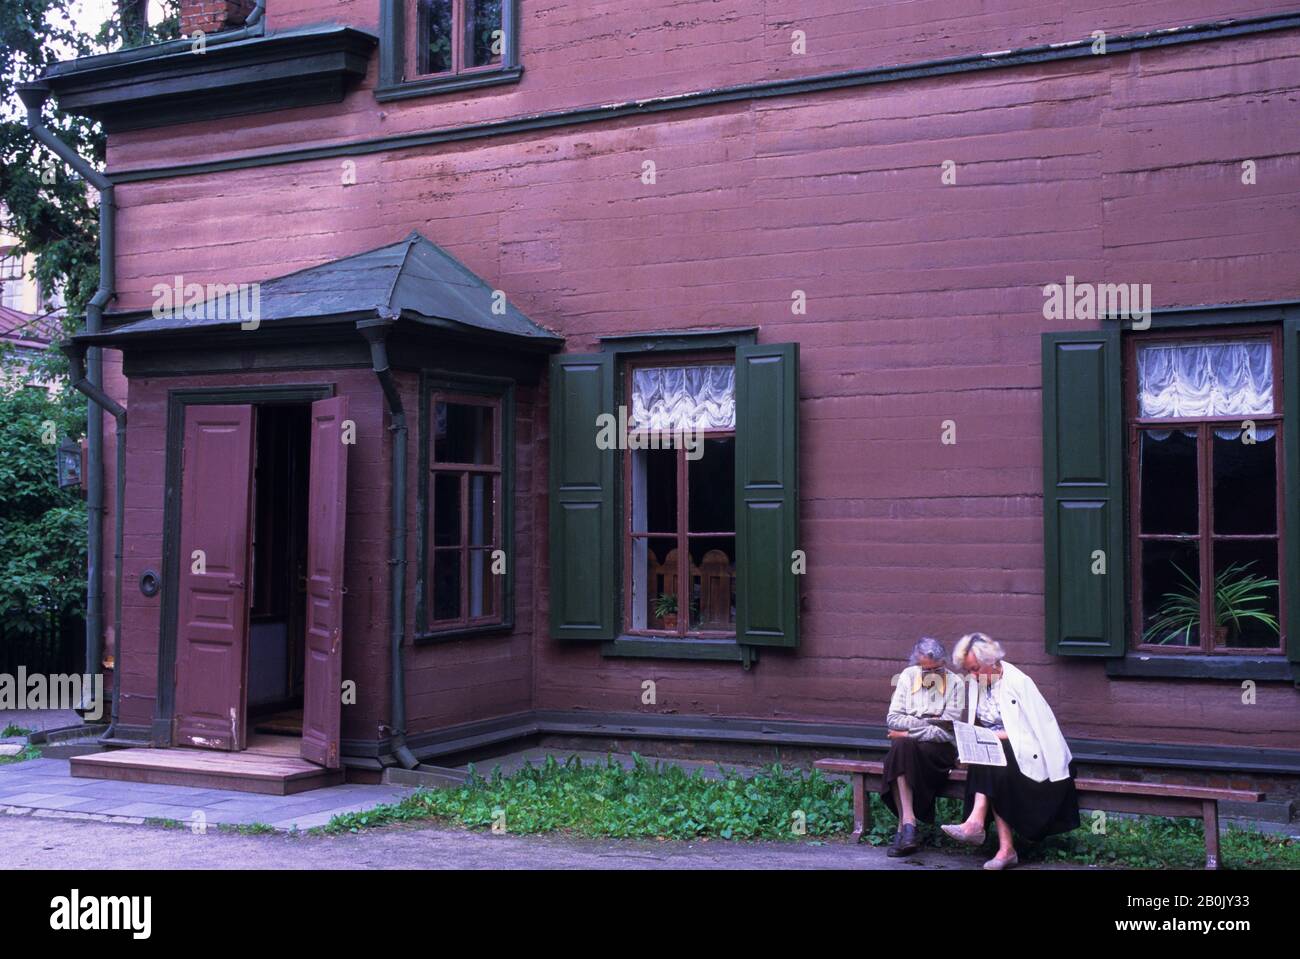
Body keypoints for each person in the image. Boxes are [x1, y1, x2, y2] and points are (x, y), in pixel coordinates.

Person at [941, 633, 1079, 870]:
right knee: (989, 760)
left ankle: (978, 824)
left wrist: (992, 737)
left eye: (975, 669)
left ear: (990, 661)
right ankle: (1001, 846)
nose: (972, 676)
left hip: (1035, 755)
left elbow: (1038, 732)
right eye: (968, 671)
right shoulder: (977, 683)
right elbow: (979, 725)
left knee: (993, 757)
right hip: (999, 758)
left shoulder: (1018, 682)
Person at [881, 637, 965, 857]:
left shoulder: (955, 683)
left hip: (939, 750)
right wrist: (929, 721)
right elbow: (893, 719)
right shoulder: (908, 677)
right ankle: (909, 822)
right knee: (901, 747)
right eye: (925, 670)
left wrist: (908, 731)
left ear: (944, 663)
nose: (932, 674)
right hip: (909, 747)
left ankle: (904, 828)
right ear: (917, 664)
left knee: (901, 745)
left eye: (937, 669)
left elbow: (946, 731)